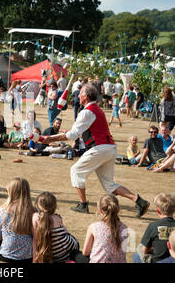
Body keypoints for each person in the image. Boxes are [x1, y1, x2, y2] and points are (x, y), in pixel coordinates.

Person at [42, 84, 150, 217]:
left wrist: (48, 139)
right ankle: (139, 201)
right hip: (109, 148)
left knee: (76, 171)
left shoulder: (86, 112)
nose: (78, 96)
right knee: (109, 184)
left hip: (99, 148)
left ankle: (83, 205)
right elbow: (85, 131)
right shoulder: (97, 110)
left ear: (86, 97)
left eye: (80, 93)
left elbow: (72, 135)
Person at [0, 178, 35, 263]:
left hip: (7, 256)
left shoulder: (1, 211)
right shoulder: (34, 212)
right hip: (28, 256)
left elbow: (0, 237)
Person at [132, 193, 175, 263]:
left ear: (158, 210)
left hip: (157, 260)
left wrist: (152, 249)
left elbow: (144, 250)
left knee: (137, 252)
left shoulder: (153, 226)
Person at [75, 194, 128, 263]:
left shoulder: (94, 227)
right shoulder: (124, 228)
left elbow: (85, 252)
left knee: (75, 254)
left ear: (100, 210)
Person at [32, 192, 79, 263]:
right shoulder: (58, 218)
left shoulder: (35, 217)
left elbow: (34, 240)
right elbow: (66, 232)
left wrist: (34, 260)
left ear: (38, 206)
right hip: (65, 252)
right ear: (55, 206)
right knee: (70, 237)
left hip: (49, 254)